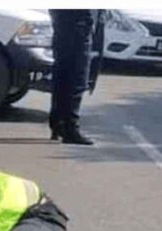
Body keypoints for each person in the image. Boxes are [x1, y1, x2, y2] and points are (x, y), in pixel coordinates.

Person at [48, 9, 98, 145]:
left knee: (62, 74)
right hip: (78, 21)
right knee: (76, 78)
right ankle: (70, 128)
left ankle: (58, 123)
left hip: (63, 19)